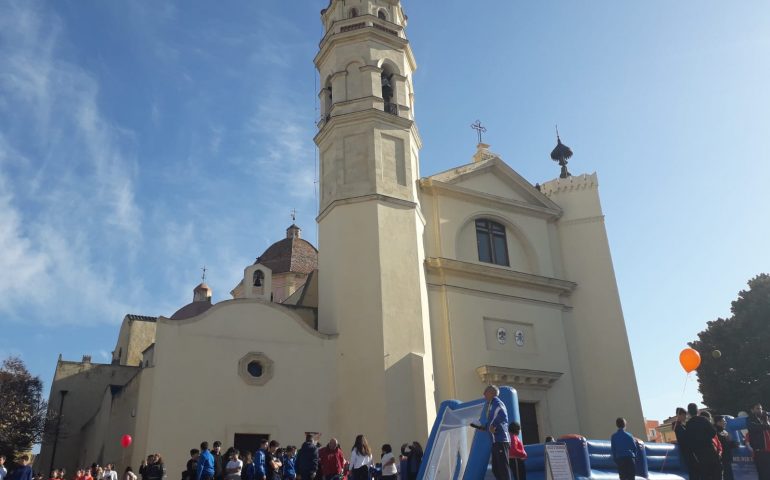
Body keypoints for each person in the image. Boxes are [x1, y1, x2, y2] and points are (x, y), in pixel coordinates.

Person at [471, 385, 511, 480]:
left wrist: (493, 426)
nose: (484, 394)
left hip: (501, 440)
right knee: (496, 469)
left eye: (486, 391)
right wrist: (482, 427)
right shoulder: (492, 405)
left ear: (492, 393)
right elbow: (492, 422)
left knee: (503, 469)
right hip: (495, 441)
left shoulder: (497, 403)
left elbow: (503, 416)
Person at [685, 403, 719, 480]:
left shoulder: (688, 424)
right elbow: (713, 433)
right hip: (710, 450)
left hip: (698, 454)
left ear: (689, 412)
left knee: (705, 474)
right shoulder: (704, 420)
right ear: (698, 411)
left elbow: (688, 439)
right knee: (716, 473)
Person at [673, 407, 698, 480]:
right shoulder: (676, 426)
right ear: (679, 415)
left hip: (690, 451)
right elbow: (682, 438)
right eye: (684, 415)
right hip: (685, 452)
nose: (686, 417)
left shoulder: (683, 425)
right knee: (693, 472)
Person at [747, 403, 770, 480]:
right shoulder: (750, 419)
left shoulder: (765, 419)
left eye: (761, 408)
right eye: (757, 408)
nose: (760, 410)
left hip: (768, 451)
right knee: (763, 474)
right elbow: (753, 427)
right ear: (752, 410)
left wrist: (766, 420)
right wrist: (766, 426)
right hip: (760, 452)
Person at [714, 415, 738, 480]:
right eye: (724, 421)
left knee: (729, 475)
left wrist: (735, 444)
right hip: (720, 460)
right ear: (718, 422)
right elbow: (718, 445)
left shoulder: (725, 432)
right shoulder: (714, 432)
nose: (725, 423)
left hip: (727, 458)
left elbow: (728, 444)